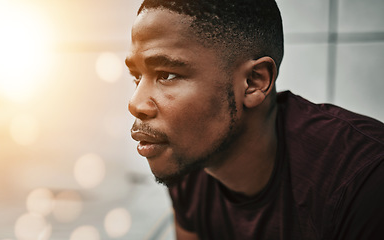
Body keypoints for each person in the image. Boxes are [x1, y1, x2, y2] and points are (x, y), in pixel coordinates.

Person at [125, 0, 384, 239]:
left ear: (254, 82)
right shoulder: (187, 161)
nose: (135, 104)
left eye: (167, 75)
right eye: (137, 77)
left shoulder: (364, 181)